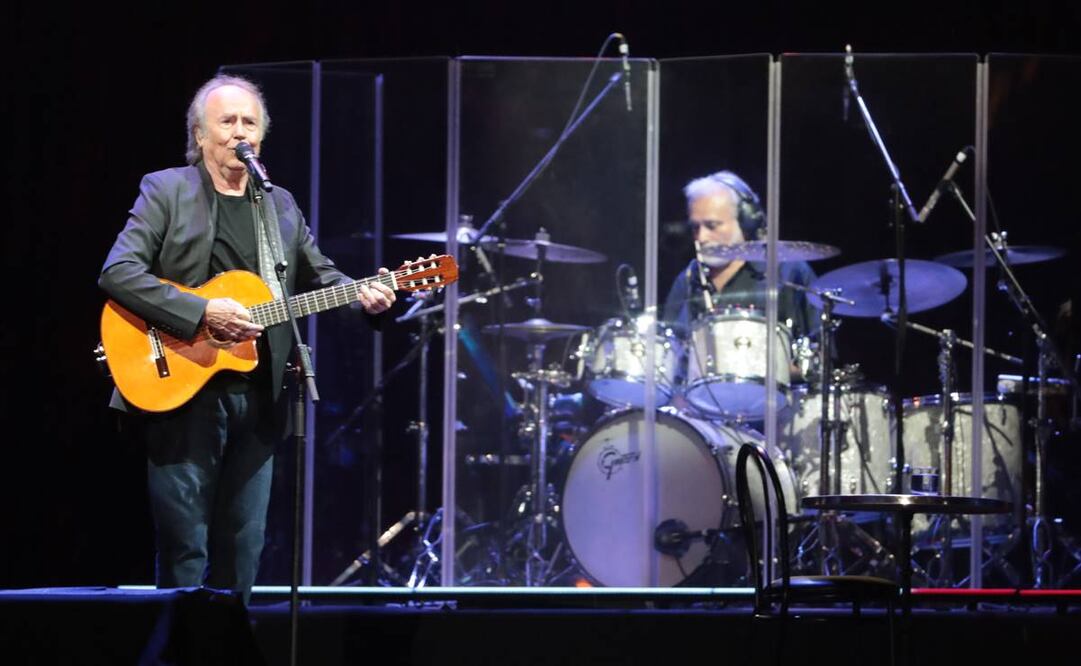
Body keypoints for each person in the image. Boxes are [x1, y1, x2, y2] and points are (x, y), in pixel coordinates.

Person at [98, 74, 396, 604]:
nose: (240, 131)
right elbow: (118, 272)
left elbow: (320, 275)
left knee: (245, 545)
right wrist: (202, 311)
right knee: (185, 545)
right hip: (180, 388)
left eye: (249, 122)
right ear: (201, 133)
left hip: (261, 392)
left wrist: (363, 293)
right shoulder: (167, 189)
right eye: (227, 121)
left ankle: (231, 645)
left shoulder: (278, 204)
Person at [662, 170, 817, 336]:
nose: (701, 237)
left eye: (712, 225)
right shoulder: (687, 279)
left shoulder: (788, 273)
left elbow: (820, 352)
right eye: (695, 227)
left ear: (746, 223)